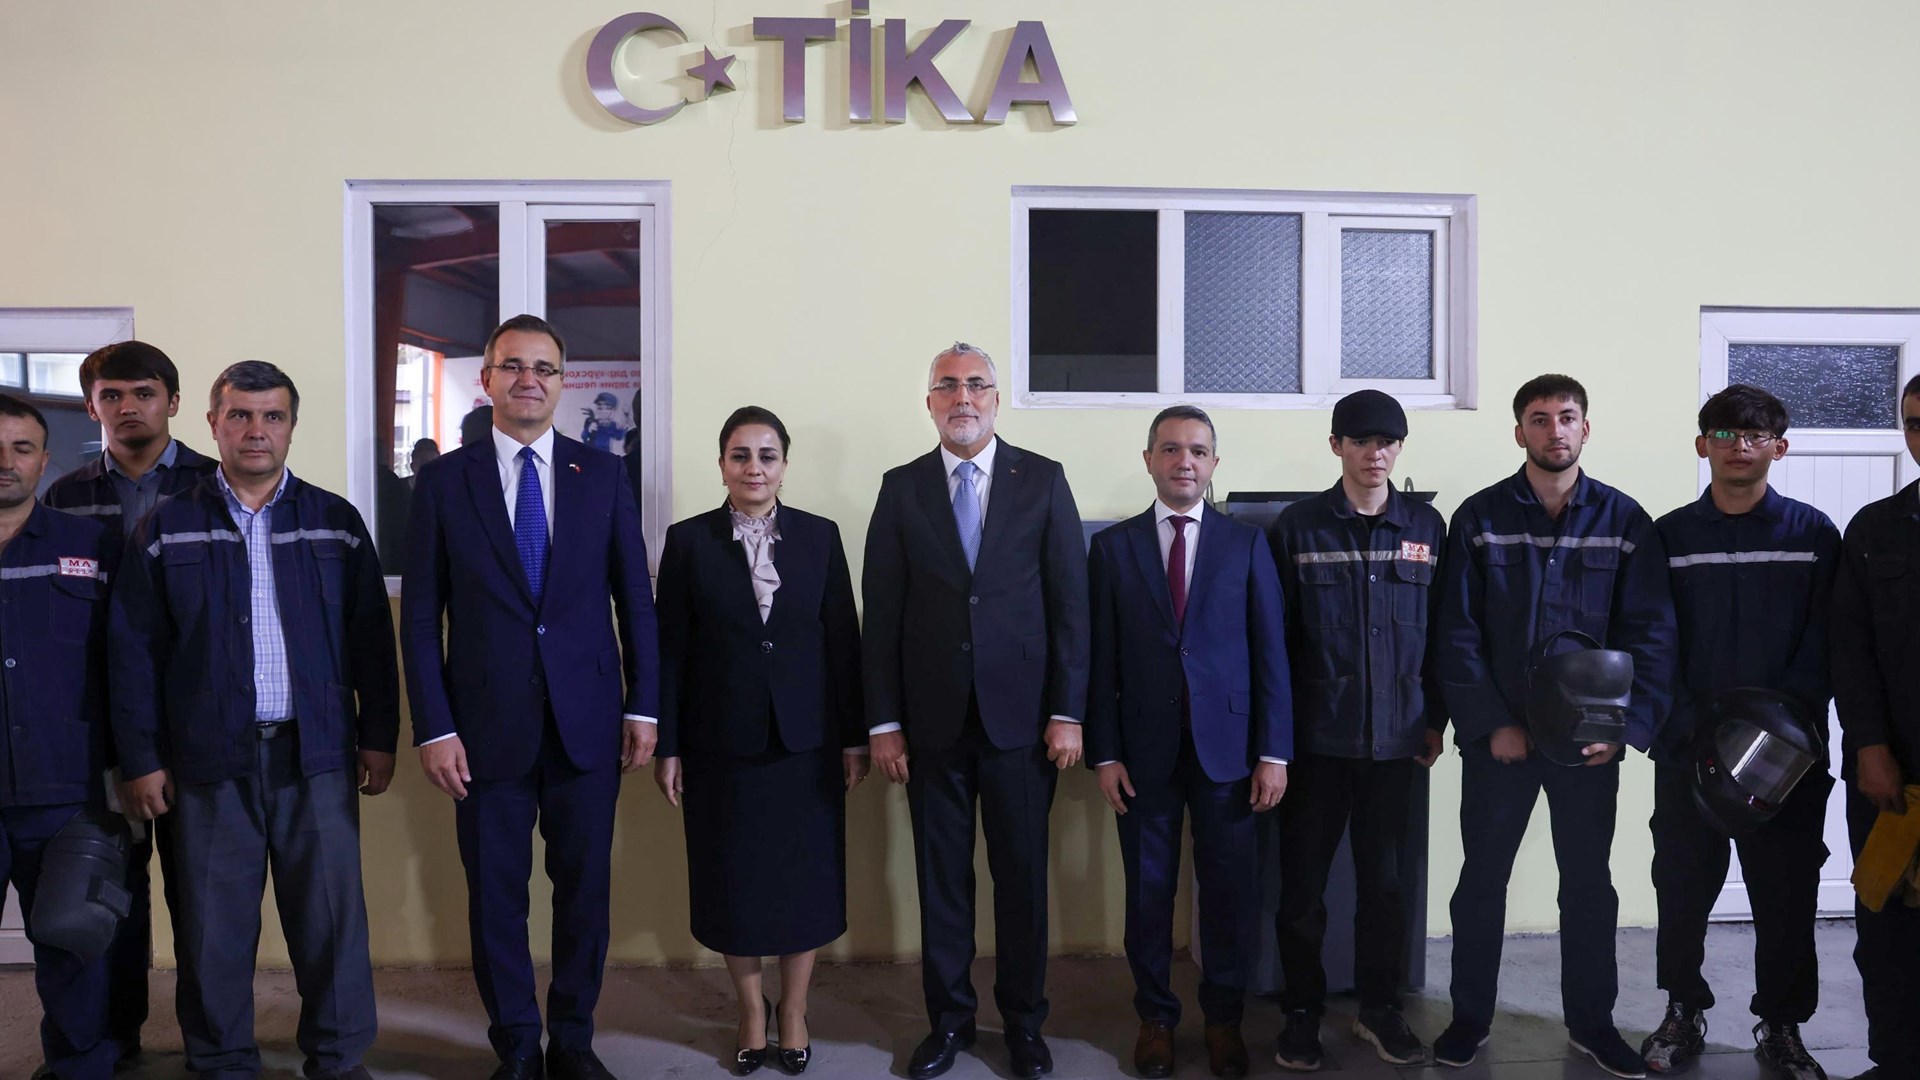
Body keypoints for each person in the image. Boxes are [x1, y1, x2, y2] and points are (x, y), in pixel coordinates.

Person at [109, 361, 396, 1080]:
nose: (256, 430)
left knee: (331, 920)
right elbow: (133, 652)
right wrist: (141, 758)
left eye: (272, 416)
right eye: (240, 415)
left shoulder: (335, 522)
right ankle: (221, 1061)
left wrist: (378, 736)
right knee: (212, 927)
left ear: (292, 426)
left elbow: (370, 638)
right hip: (207, 762)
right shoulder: (166, 525)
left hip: (317, 755)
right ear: (213, 423)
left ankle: (338, 1059)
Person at [401, 314, 660, 1080]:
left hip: (589, 727)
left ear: (562, 383)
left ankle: (572, 1041)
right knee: (496, 900)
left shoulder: (602, 475)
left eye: (544, 368)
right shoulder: (445, 481)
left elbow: (634, 601)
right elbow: (421, 616)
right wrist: (434, 727)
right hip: (482, 733)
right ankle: (517, 1044)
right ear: (486, 379)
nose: (528, 380)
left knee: (583, 896)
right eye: (512, 366)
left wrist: (643, 705)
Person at [1432, 374, 1676, 1079]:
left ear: (1585, 428)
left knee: (1589, 886)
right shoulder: (1479, 518)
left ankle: (1593, 1025)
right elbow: (1456, 633)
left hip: (1588, 747)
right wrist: (1489, 725)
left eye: (1567, 417)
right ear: (1519, 433)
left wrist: (1622, 731)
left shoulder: (1625, 522)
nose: (1554, 430)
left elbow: (1651, 632)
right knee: (1482, 881)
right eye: (1539, 419)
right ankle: (1469, 1018)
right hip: (1501, 743)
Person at [862, 342, 1089, 1080]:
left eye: (976, 385)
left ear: (996, 398)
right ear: (929, 401)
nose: (963, 397)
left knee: (1021, 881)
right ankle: (950, 1022)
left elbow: (1070, 606)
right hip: (930, 725)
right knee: (942, 883)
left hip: (1023, 725)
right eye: (948, 385)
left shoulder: (1043, 480)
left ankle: (1024, 1024)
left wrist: (1068, 711)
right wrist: (883, 722)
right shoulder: (901, 488)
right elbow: (881, 615)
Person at [652, 406, 866, 1077]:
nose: (753, 468)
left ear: (784, 465)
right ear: (721, 464)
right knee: (733, 880)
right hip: (721, 743)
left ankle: (794, 1009)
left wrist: (854, 739)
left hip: (807, 742)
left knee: (805, 881)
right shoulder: (688, 541)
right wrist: (668, 745)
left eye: (766, 455)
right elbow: (669, 654)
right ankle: (750, 1009)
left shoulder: (821, 537)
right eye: (740, 455)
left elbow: (843, 644)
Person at [1085, 405, 1291, 1080]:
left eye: (1198, 451)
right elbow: (1100, 660)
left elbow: (1271, 653)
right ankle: (1156, 1019)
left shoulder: (1246, 545)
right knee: (1148, 894)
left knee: (1228, 892)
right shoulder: (1112, 549)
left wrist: (1274, 752)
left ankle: (1225, 1019)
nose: (1184, 461)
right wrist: (1105, 753)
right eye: (1171, 449)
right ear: (1148, 459)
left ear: (1213, 464)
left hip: (1230, 753)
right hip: (1142, 755)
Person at [1642, 384, 1838, 1079]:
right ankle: (1682, 1009)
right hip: (1689, 750)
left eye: (1755, 436)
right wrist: (1686, 726)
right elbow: (1653, 637)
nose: (1739, 447)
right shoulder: (1670, 536)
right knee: (1682, 888)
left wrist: (1783, 729)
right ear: (1703, 445)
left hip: (1786, 759)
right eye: (1724, 435)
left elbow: (1827, 640)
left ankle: (1781, 1025)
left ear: (1779, 448)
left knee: (1787, 894)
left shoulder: (1812, 535)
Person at [41, 339, 217, 1067]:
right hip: (102, 723)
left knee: (202, 897)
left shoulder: (215, 483)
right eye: (111, 395)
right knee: (111, 892)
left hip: (197, 717)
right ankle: (117, 1038)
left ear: (172, 401)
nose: (128, 407)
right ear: (92, 408)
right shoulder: (65, 495)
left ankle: (212, 1043)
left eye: (144, 393)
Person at [1267, 389, 1447, 1071]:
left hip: (1397, 745)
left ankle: (1379, 1009)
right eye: (1361, 441)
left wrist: (1435, 720)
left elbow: (1443, 636)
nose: (1375, 454)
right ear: (1337, 446)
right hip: (1316, 746)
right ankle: (1301, 1014)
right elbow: (1276, 643)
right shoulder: (1299, 528)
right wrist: (1275, 742)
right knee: (1301, 893)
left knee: (1386, 889)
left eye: (1387, 442)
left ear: (1399, 448)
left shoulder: (1426, 527)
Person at [0, 393, 118, 1079]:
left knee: (73, 947)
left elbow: (125, 662)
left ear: (44, 461)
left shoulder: (89, 546)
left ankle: (78, 1070)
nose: (6, 462)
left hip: (65, 789)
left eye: (21, 448)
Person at [1829, 373, 1920, 1080]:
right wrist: (1869, 747)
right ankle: (1894, 1062)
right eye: (1913, 423)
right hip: (1895, 771)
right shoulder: (1876, 529)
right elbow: (1850, 650)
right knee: (1887, 924)